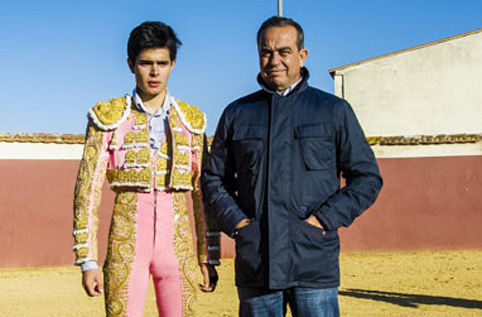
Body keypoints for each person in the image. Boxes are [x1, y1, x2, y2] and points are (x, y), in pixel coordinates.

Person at [202, 16, 383, 317]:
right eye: (266, 52)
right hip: (256, 264)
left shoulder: (334, 110)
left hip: (313, 263)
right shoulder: (237, 113)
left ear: (302, 55)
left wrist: (323, 221)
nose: (275, 60)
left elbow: (366, 178)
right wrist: (238, 225)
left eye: (284, 52)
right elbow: (213, 179)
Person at [72, 21, 219, 317]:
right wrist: (87, 260)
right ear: (131, 64)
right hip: (126, 244)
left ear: (173, 64)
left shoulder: (191, 121)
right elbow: (87, 190)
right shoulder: (108, 118)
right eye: (146, 63)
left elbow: (203, 194)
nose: (154, 72)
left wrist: (208, 255)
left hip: (177, 248)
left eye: (162, 63)